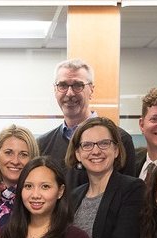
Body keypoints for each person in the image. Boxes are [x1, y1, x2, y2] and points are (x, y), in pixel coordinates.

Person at [38, 59, 137, 187]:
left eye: (78, 85)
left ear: (91, 90)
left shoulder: (120, 139)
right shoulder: (43, 144)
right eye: (62, 85)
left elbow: (128, 194)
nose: (69, 93)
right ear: (55, 90)